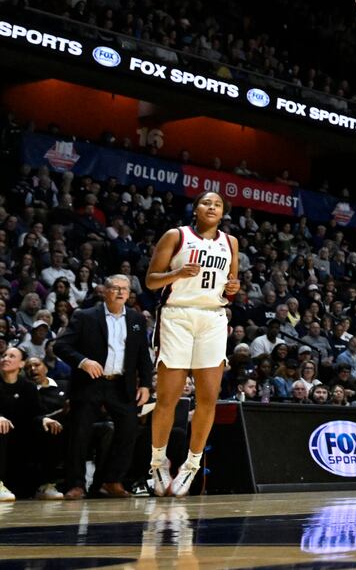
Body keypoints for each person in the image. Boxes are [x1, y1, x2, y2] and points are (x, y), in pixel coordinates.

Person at [145, 191, 239, 497]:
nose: (212, 207)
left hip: (212, 317)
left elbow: (230, 287)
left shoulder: (230, 243)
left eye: (218, 205)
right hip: (177, 316)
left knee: (208, 398)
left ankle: (192, 464)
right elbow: (151, 280)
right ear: (196, 209)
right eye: (206, 203)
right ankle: (158, 461)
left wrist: (234, 288)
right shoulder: (177, 236)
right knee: (168, 398)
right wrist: (176, 273)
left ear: (223, 213)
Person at [55, 276, 154, 498]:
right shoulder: (85, 316)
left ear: (129, 294)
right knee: (80, 434)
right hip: (90, 383)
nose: (120, 292)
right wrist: (83, 361)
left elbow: (143, 356)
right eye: (116, 288)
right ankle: (76, 484)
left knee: (128, 431)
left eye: (125, 289)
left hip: (121, 384)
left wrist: (146, 384)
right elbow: (60, 345)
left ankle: (111, 480)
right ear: (105, 291)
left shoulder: (137, 319)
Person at [0, 346, 62, 500]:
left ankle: (44, 484)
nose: (5, 358)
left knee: (50, 428)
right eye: (4, 355)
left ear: (21, 364)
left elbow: (36, 413)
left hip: (22, 435)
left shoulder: (28, 386)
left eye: (11, 356)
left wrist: (44, 419)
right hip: (2, 433)